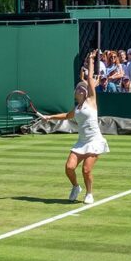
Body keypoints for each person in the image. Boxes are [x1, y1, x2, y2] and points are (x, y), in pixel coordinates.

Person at [37, 51, 108, 204]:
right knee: (69, 168)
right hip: (81, 142)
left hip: (94, 141)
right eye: (79, 88)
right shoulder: (76, 109)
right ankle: (76, 187)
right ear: (75, 93)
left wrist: (90, 59)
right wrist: (49, 117)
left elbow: (89, 79)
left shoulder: (91, 101)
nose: (82, 89)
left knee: (86, 170)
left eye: (84, 88)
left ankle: (89, 193)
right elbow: (66, 116)